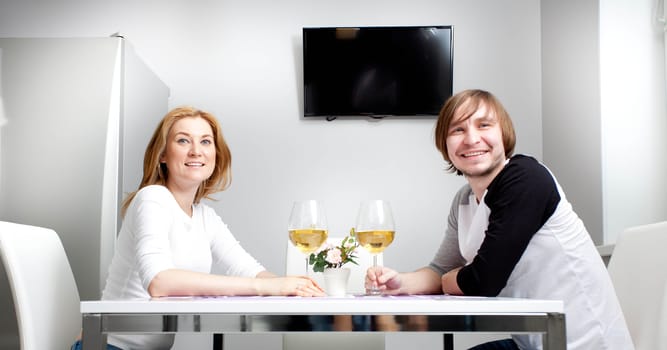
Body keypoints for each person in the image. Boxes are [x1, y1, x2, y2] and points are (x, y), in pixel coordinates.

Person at [366, 89, 634, 350]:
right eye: (457, 129)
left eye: (484, 125)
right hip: (531, 341)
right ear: (445, 146)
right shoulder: (464, 199)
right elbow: (440, 271)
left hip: (581, 343)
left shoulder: (526, 179)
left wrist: (450, 279)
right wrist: (399, 282)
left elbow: (483, 281)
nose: (471, 139)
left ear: (503, 135)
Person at [71, 106, 324, 350]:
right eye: (183, 141)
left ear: (216, 153)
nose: (196, 151)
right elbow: (160, 281)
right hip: (108, 346)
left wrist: (293, 286)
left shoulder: (205, 217)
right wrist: (265, 288)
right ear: (162, 154)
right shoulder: (152, 198)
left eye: (205, 142)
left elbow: (248, 270)